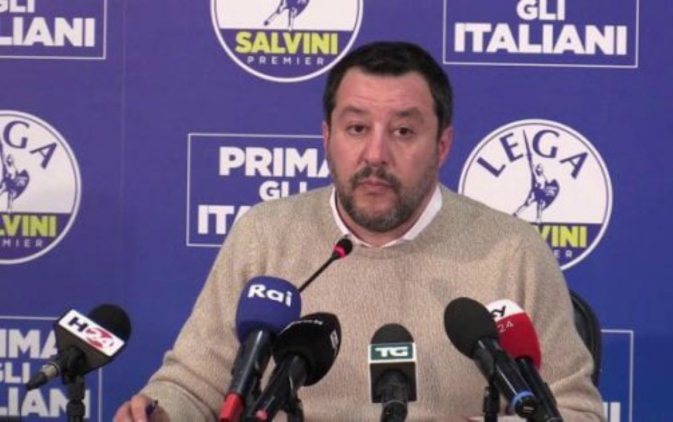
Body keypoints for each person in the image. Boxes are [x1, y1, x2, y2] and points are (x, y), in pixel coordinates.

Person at [115, 41, 604, 421]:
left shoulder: (511, 252)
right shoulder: (265, 236)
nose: (375, 155)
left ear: (442, 146)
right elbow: (195, 383)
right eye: (356, 129)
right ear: (327, 137)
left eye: (403, 131)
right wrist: (160, 412)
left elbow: (574, 410)